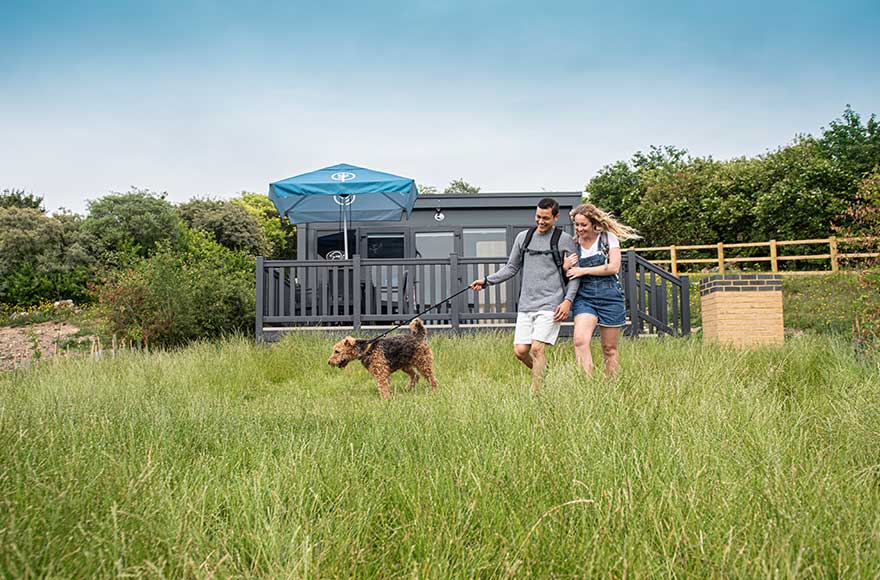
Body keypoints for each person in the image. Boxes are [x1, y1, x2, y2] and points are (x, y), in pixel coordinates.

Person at [469, 198, 579, 392]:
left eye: (546, 218)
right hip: (527, 304)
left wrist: (567, 301)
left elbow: (574, 275)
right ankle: (544, 371)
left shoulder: (564, 239)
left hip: (551, 303)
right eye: (538, 217)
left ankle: (536, 393)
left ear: (556, 217)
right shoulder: (523, 238)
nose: (541, 221)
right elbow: (511, 267)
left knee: (537, 348)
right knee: (520, 352)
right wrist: (486, 281)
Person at [564, 203, 639, 377]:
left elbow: (613, 267)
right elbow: (569, 273)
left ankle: (610, 387)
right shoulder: (573, 244)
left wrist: (583, 270)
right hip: (584, 298)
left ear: (593, 223)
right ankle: (587, 387)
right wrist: (565, 266)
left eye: (584, 225)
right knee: (580, 341)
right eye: (576, 224)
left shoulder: (608, 238)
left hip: (610, 296)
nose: (579, 229)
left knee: (609, 348)